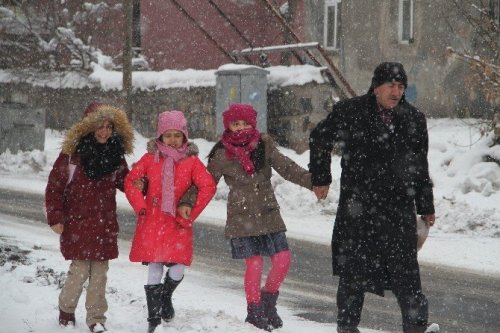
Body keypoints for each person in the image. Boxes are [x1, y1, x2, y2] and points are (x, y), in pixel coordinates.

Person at [308, 62, 439, 333]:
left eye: (401, 87)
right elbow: (320, 138)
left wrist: (425, 204)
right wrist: (321, 177)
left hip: (398, 208)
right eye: (391, 85)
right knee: (353, 274)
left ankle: (416, 327)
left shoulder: (414, 119)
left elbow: (419, 163)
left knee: (407, 275)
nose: (396, 92)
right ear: (376, 87)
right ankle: (347, 327)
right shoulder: (350, 111)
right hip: (359, 207)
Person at [205, 103, 313, 331]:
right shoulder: (221, 154)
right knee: (254, 264)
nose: (241, 128)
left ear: (253, 124)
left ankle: (268, 303)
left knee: (282, 260)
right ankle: (254, 311)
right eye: (236, 124)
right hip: (241, 216)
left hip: (268, 213)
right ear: (228, 125)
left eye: (245, 123)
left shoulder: (264, 144)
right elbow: (205, 185)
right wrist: (185, 203)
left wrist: (314, 182)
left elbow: (287, 167)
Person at [45, 102, 134, 333]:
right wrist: (56, 217)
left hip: (104, 225)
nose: (104, 131)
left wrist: (142, 184)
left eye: (108, 127)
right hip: (78, 223)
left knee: (100, 273)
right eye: (99, 126)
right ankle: (66, 309)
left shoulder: (115, 155)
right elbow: (54, 187)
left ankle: (96, 318)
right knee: (80, 270)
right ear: (88, 128)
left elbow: (127, 182)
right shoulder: (72, 156)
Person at [124, 110, 216, 333]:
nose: (173, 139)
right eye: (168, 135)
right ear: (160, 137)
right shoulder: (149, 159)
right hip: (154, 219)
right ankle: (153, 318)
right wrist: (141, 206)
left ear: (185, 137)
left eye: (177, 134)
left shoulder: (192, 162)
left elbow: (208, 186)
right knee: (154, 266)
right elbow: (131, 181)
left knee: (178, 268)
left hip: (177, 222)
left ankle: (166, 297)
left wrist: (190, 212)